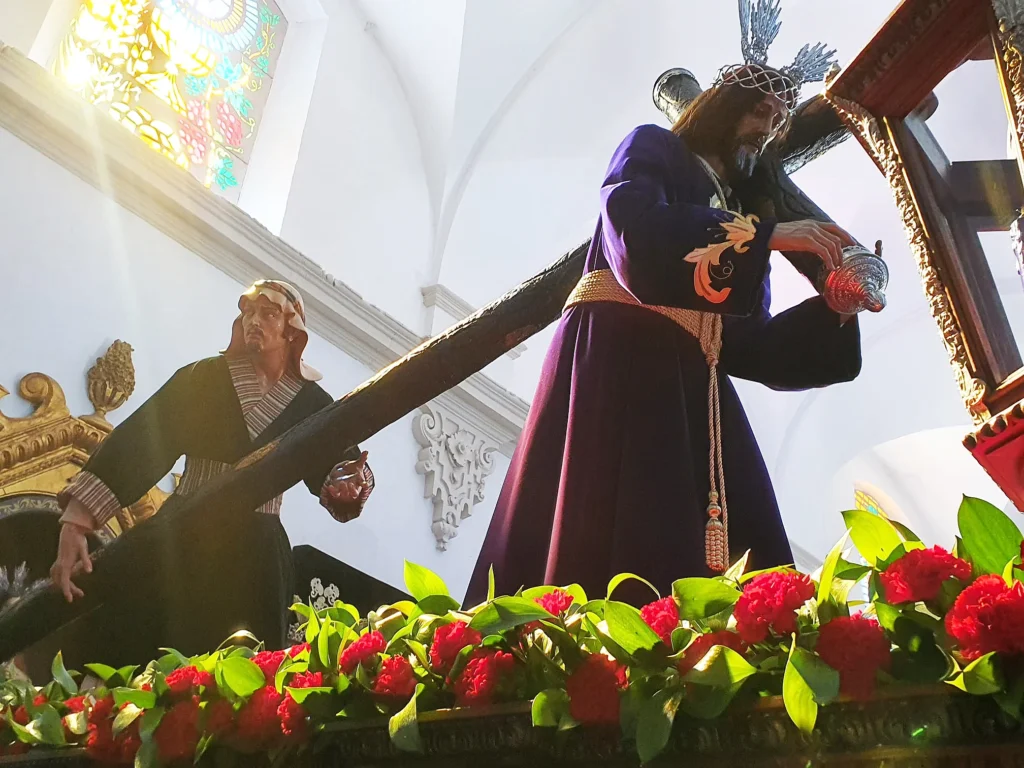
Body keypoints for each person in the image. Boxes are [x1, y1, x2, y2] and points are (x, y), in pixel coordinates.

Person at [465, 63, 863, 606]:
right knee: (610, 519)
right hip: (620, 347)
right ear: (722, 106)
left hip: (693, 377)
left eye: (776, 118)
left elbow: (749, 344)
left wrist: (833, 310)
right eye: (757, 110)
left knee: (744, 527)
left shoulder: (745, 210)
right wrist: (763, 235)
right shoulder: (653, 147)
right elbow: (633, 234)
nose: (765, 127)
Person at [49, 280, 374, 659]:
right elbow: (141, 442)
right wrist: (76, 522)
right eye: (248, 311)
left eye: (268, 313)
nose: (254, 320)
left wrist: (346, 481)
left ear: (293, 331)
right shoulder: (202, 378)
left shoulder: (314, 403)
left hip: (257, 559)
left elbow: (337, 463)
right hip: (184, 530)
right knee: (132, 642)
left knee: (236, 675)